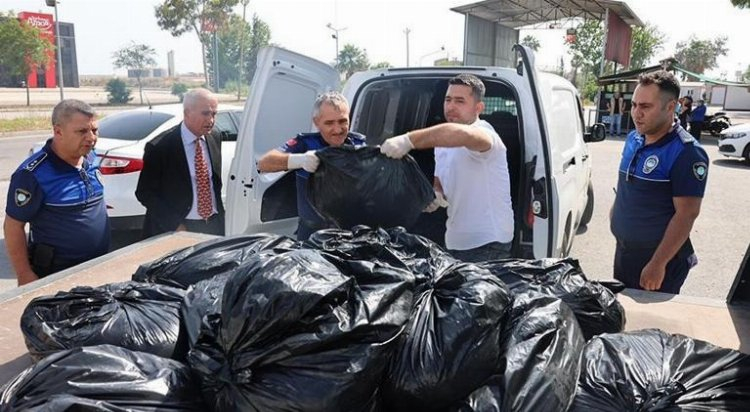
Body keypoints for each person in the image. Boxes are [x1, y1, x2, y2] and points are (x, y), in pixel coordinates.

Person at [380, 73, 514, 262]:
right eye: (448, 99)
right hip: (455, 241)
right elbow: (441, 181)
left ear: (478, 108)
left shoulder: (486, 134)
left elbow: (462, 135)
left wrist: (408, 140)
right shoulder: (442, 143)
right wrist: (436, 195)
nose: (451, 106)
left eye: (460, 101)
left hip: (488, 243)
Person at [610, 71, 708, 294]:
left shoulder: (686, 152)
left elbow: (687, 214)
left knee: (647, 317)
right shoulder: (634, 138)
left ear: (670, 106)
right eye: (634, 105)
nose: (637, 113)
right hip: (625, 252)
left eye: (645, 106)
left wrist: (658, 263)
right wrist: (616, 217)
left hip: (658, 261)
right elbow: (627, 186)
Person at [3, 99, 110, 286]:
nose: (91, 138)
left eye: (94, 130)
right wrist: (24, 274)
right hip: (57, 276)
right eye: (82, 131)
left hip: (98, 269)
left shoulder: (91, 157)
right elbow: (13, 227)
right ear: (58, 131)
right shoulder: (33, 174)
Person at [257, 91, 365, 240]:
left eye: (342, 121)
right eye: (329, 123)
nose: (337, 129)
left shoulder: (359, 144)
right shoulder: (305, 144)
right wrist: (299, 160)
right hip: (313, 235)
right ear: (316, 122)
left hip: (349, 234)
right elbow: (264, 164)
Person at [135, 88, 225, 238]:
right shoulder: (160, 146)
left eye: (214, 114)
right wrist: (175, 224)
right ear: (187, 112)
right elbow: (145, 192)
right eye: (205, 113)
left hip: (213, 225)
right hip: (179, 228)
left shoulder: (214, 137)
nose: (211, 120)